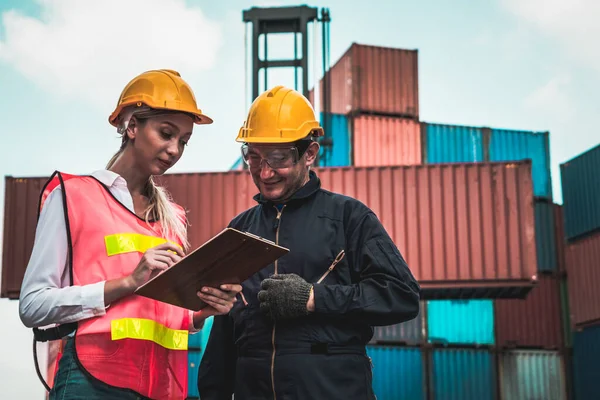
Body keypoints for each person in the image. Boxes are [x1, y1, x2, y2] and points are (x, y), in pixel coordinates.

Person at [18, 69, 242, 400]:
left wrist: (201, 312)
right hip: (91, 383)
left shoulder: (173, 218)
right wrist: (126, 283)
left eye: (183, 140)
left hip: (164, 386)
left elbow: (164, 314)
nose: (174, 149)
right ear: (132, 126)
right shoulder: (73, 195)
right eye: (166, 133)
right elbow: (33, 305)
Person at [197, 85, 421, 399]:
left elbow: (402, 296)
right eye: (254, 157)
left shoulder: (349, 218)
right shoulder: (240, 230)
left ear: (310, 153)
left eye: (279, 158)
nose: (265, 172)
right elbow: (223, 333)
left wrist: (314, 298)